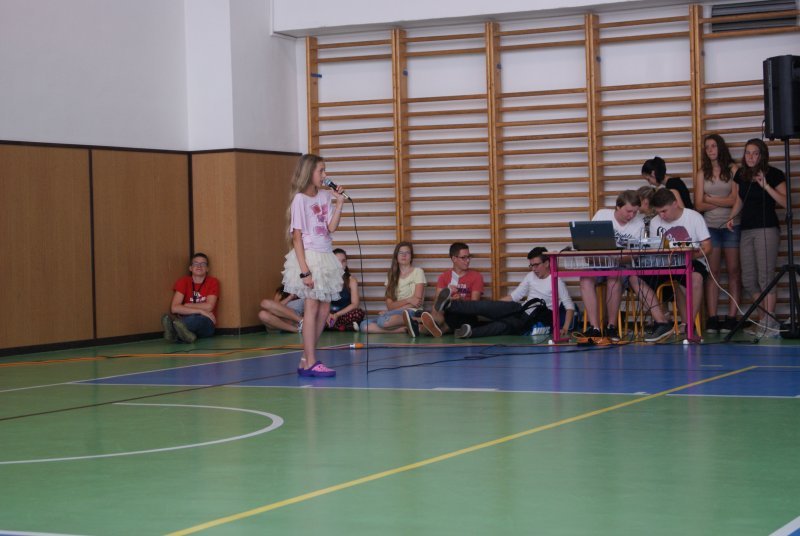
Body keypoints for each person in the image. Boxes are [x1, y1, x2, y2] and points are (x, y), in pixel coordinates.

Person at [282, 153, 346, 377]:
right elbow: (296, 237)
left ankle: (306, 357)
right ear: (309, 173)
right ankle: (310, 361)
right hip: (309, 257)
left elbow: (331, 228)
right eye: (321, 170)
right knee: (311, 306)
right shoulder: (300, 199)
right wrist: (304, 271)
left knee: (325, 308)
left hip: (326, 254)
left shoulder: (325, 196)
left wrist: (339, 203)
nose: (325, 175)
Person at [433, 247, 575, 339]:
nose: (533, 269)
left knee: (502, 326)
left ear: (547, 263)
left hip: (534, 318)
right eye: (531, 265)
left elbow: (569, 306)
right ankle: (449, 305)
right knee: (486, 306)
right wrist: (495, 306)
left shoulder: (556, 281)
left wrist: (564, 328)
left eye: (536, 265)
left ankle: (468, 333)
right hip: (520, 308)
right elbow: (515, 296)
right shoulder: (530, 276)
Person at [629, 189, 711, 342]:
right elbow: (655, 248)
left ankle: (689, 324)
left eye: (664, 211)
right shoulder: (655, 222)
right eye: (659, 212)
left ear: (675, 204)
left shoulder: (693, 217)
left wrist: (688, 255)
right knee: (635, 278)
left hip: (692, 261)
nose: (661, 216)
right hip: (665, 263)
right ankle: (662, 322)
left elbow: (707, 247)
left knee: (696, 278)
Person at [727, 138, 787, 337]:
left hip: (766, 229)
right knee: (749, 279)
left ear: (762, 155)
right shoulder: (741, 175)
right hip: (746, 230)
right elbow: (739, 200)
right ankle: (763, 320)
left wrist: (766, 186)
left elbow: (786, 202)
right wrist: (732, 217)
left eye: (755, 153)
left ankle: (770, 323)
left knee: (765, 277)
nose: (750, 156)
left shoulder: (774, 174)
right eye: (747, 153)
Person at [579, 190, 645, 341]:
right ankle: (595, 328)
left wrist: (614, 259)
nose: (632, 216)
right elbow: (588, 242)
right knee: (585, 279)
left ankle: (611, 327)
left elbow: (635, 254)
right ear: (618, 207)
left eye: (635, 212)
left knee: (613, 279)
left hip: (621, 264)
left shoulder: (639, 223)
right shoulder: (602, 215)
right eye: (628, 211)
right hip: (599, 262)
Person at [693, 133, 741, 333]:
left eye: (713, 146)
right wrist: (722, 201)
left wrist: (711, 199)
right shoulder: (702, 173)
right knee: (713, 273)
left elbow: (736, 200)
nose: (710, 150)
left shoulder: (733, 169)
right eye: (707, 147)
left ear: (720, 147)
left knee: (734, 271)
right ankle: (712, 317)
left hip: (731, 225)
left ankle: (732, 317)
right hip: (710, 227)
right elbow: (698, 204)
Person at [415, 242, 485, 337]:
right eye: (463, 257)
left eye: (469, 257)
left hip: (465, 313)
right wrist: (448, 299)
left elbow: (474, 305)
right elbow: (437, 302)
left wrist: (460, 300)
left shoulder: (476, 276)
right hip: (446, 312)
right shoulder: (444, 276)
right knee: (441, 305)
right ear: (454, 259)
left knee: (455, 315)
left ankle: (421, 327)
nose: (468, 260)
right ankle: (433, 324)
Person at [359, 242, 426, 335]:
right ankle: (403, 329)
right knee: (364, 325)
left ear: (411, 256)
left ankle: (415, 320)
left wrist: (391, 312)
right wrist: (408, 300)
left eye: (407, 252)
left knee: (382, 321)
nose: (404, 255)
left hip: (412, 311)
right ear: (396, 256)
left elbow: (416, 303)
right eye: (401, 253)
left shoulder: (418, 272)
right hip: (394, 313)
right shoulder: (391, 275)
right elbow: (390, 305)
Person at [161, 252, 219, 343]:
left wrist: (187, 305)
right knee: (187, 320)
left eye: (203, 264)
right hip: (187, 319)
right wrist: (200, 311)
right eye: (196, 263)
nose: (199, 266)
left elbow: (209, 306)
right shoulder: (183, 281)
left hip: (206, 322)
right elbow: (174, 308)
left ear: (207, 268)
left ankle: (173, 332)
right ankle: (186, 336)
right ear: (190, 268)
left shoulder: (213, 282)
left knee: (196, 319)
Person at [326, 248, 365, 331]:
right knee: (313, 315)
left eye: (343, 261)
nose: (341, 264)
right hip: (328, 315)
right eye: (337, 261)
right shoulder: (325, 279)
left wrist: (337, 315)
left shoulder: (352, 280)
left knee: (358, 313)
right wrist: (327, 315)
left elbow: (355, 304)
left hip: (343, 314)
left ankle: (334, 326)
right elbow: (322, 303)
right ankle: (343, 326)